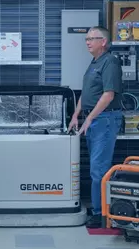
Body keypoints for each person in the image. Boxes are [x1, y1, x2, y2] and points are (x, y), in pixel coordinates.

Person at [68, 26, 123, 228]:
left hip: (105, 120)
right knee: (95, 167)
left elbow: (108, 95)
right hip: (95, 120)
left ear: (104, 42)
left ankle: (100, 215)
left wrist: (89, 118)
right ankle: (98, 208)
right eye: (86, 39)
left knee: (98, 169)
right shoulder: (94, 63)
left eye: (92, 38)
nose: (88, 42)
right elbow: (88, 92)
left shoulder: (110, 62)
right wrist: (76, 114)